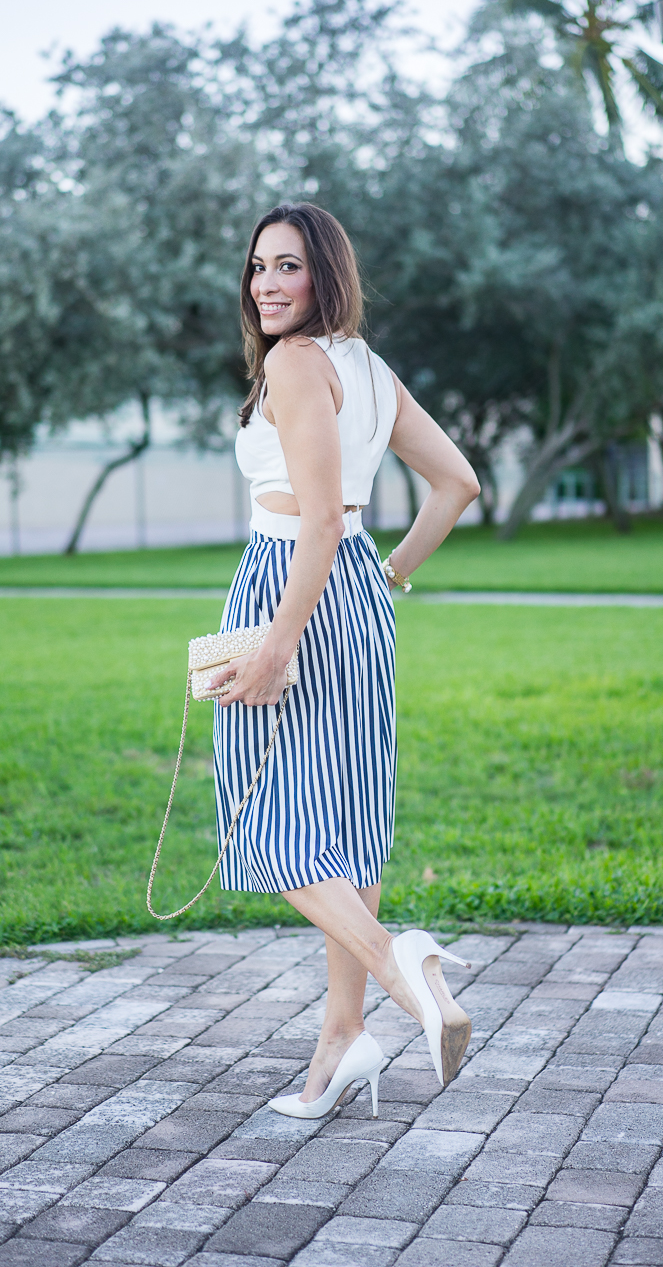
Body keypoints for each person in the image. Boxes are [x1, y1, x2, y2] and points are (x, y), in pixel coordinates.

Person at [207, 202, 481, 1118]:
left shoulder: (295, 364)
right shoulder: (366, 366)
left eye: (288, 266)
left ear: (326, 273)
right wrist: (387, 576)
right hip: (358, 592)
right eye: (258, 267)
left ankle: (401, 967)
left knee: (260, 819)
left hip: (293, 586)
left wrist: (278, 641)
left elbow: (318, 519)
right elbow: (458, 483)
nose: (267, 284)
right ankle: (341, 1040)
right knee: (348, 822)